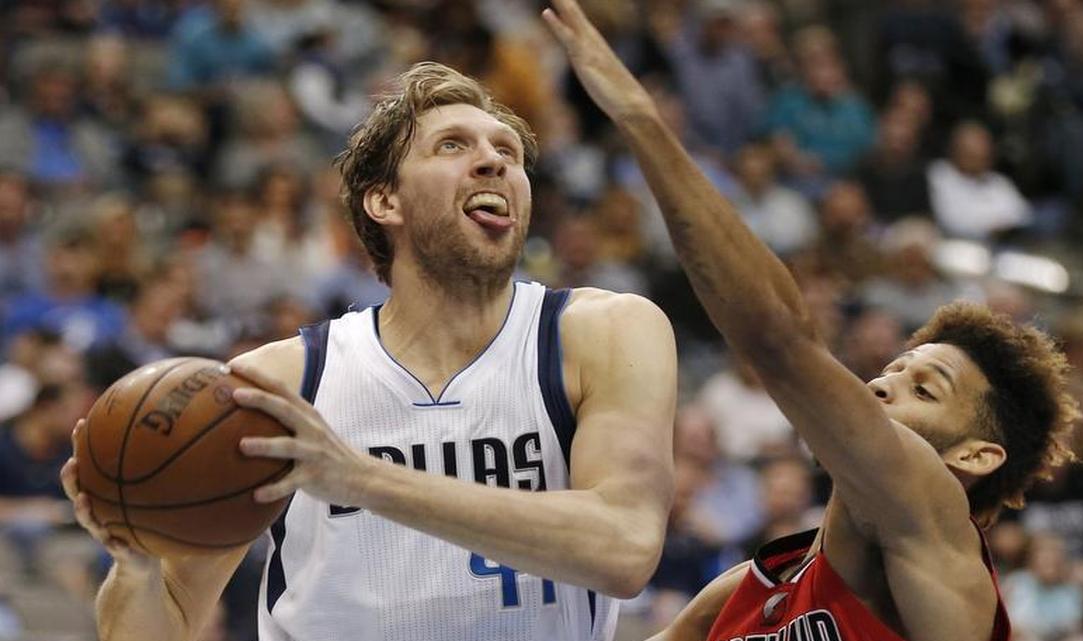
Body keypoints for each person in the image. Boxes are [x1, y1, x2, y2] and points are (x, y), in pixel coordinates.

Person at [60, 50, 677, 641]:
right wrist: (136, 564)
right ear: (385, 200)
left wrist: (361, 479)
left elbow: (625, 548)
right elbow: (168, 621)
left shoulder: (599, 334)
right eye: (453, 145)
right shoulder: (279, 382)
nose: (493, 162)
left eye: (507, 151)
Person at [538, 1, 1080, 640]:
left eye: (925, 389)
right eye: (893, 369)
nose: (880, 385)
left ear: (975, 454)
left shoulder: (940, 537)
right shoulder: (752, 585)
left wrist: (641, 120)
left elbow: (779, 341)